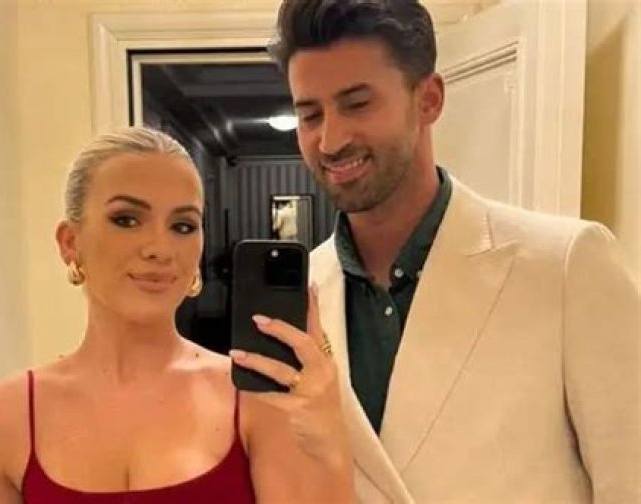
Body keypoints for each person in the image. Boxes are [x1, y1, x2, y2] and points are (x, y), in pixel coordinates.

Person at [270, 0, 641, 502]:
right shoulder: (300, 295)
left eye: (357, 104)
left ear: (428, 100)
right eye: (310, 114)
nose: (330, 140)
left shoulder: (564, 265)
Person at [0, 127, 353, 503]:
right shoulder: (1, 420)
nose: (160, 249)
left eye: (183, 226)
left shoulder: (257, 400)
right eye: (126, 220)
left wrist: (329, 441)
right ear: (70, 242)